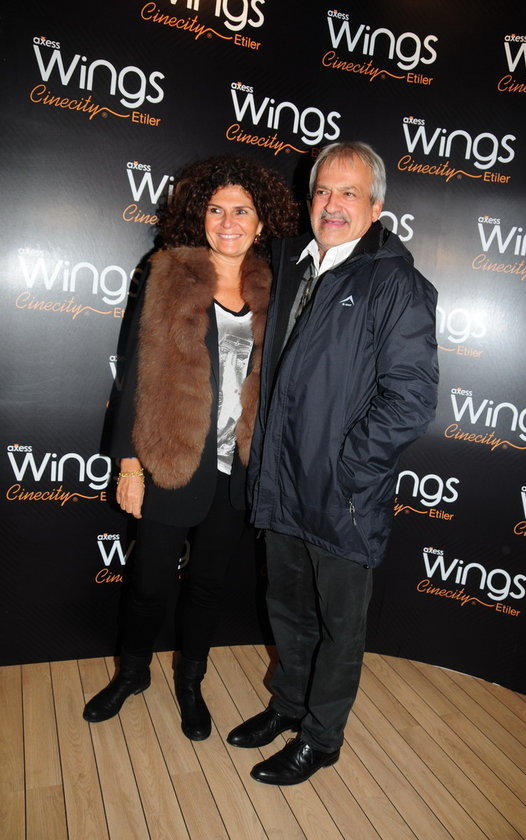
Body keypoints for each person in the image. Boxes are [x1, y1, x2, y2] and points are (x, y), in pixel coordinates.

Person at [227, 141, 439, 784]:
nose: (332, 204)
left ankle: (321, 738)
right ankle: (288, 705)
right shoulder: (293, 262)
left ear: (376, 207)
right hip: (282, 480)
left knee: (339, 624)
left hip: (342, 493)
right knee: (288, 609)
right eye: (323, 191)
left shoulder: (396, 283)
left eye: (349, 193)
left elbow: (411, 400)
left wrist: (348, 470)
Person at [83, 155, 298, 740]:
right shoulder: (169, 272)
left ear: (261, 221)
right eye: (216, 209)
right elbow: (136, 369)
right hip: (172, 459)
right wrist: (130, 466)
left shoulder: (274, 285)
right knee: (149, 581)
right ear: (199, 215)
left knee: (208, 584)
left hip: (239, 468)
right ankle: (133, 673)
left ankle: (190, 682)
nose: (228, 222)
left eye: (242, 211)